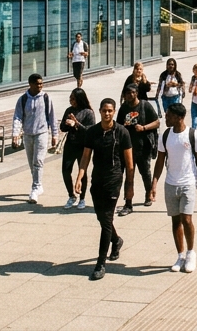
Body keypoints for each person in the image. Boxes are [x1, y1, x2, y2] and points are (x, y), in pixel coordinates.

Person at [72, 98, 135, 280]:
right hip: (96, 181)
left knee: (106, 219)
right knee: (102, 218)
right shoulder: (92, 132)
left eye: (110, 111)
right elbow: (85, 157)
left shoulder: (122, 132)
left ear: (114, 112)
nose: (107, 113)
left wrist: (129, 189)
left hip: (114, 180)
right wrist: (79, 177)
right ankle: (116, 240)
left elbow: (129, 164)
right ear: (99, 111)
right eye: (104, 110)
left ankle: (100, 263)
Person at [153, 102, 197, 273]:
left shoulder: (193, 135)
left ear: (178, 117)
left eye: (169, 115)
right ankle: (180, 256)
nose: (166, 118)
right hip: (171, 183)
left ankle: (191, 253)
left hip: (188, 183)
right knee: (175, 220)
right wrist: (154, 184)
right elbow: (160, 161)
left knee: (187, 219)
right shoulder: (166, 135)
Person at [12, 74, 56, 204]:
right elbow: (18, 117)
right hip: (27, 134)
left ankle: (35, 188)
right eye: (37, 84)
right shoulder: (23, 99)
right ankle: (38, 184)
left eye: (41, 84)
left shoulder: (46, 98)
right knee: (32, 163)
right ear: (30, 84)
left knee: (38, 161)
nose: (40, 86)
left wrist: (54, 134)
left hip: (42, 133)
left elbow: (52, 117)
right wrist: (15, 133)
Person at [116, 85, 160, 215]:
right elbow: (118, 126)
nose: (130, 95)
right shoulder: (124, 108)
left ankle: (148, 193)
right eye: (127, 93)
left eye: (132, 93)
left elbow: (157, 122)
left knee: (145, 172)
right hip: (128, 148)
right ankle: (128, 203)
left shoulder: (145, 105)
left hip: (143, 146)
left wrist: (144, 128)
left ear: (137, 94)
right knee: (129, 174)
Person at [60, 89, 96, 209]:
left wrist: (76, 124)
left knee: (82, 172)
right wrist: (67, 123)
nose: (71, 101)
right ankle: (71, 195)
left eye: (73, 98)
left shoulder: (88, 112)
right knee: (66, 171)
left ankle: (82, 198)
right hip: (70, 144)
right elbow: (62, 128)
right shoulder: (69, 110)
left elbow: (90, 131)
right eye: (70, 98)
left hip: (83, 146)